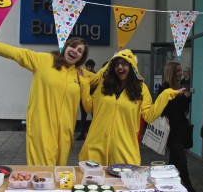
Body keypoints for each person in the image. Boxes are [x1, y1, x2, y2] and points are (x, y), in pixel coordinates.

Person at [0, 29, 102, 166]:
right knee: (43, 169)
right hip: (42, 127)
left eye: (80, 51)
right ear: (66, 47)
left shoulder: (81, 74)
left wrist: (116, 59)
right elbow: (17, 53)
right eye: (73, 46)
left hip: (65, 131)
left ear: (81, 58)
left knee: (60, 168)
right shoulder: (44, 60)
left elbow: (101, 78)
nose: (75, 51)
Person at [77, 49, 185, 166]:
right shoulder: (105, 85)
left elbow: (149, 116)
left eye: (124, 63)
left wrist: (166, 94)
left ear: (132, 66)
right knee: (94, 183)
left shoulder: (141, 88)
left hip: (124, 150)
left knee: (121, 182)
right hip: (95, 147)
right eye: (117, 64)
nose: (120, 67)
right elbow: (89, 107)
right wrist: (84, 84)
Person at [157, 62, 195, 192]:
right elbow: (162, 110)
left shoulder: (181, 87)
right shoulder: (164, 89)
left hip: (181, 130)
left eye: (180, 71)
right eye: (177, 71)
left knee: (174, 161)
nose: (180, 73)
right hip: (170, 131)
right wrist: (179, 98)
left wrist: (185, 99)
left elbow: (184, 110)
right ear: (171, 72)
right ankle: (189, 187)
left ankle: (164, 183)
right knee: (182, 160)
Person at [76, 59, 96, 141]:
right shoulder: (82, 74)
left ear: (93, 67)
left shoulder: (94, 76)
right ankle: (82, 134)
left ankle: (93, 134)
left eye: (90, 66)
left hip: (92, 100)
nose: (89, 68)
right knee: (83, 118)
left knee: (94, 118)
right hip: (83, 100)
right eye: (87, 66)